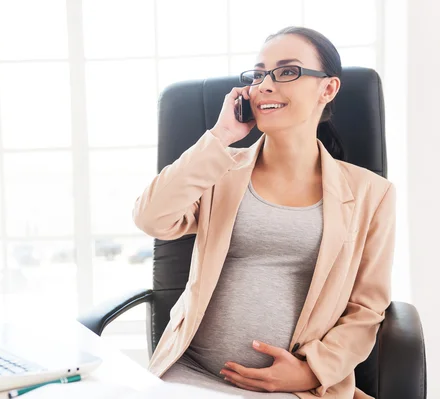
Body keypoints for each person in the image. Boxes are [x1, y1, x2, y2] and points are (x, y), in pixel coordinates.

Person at [133, 26, 395, 399]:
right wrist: (221, 135)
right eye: (259, 74)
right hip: (191, 374)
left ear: (328, 88)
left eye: (287, 71)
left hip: (297, 388)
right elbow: (151, 218)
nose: (265, 85)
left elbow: (366, 308)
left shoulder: (372, 193)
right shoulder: (220, 168)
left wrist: (310, 372)